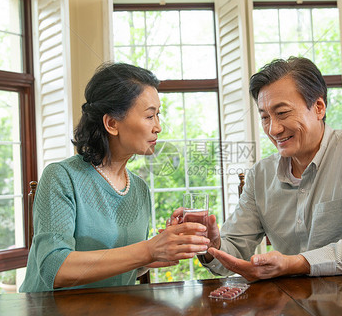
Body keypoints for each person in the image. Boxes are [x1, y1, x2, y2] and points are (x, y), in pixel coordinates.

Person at [174, 56, 342, 281]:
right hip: (289, 310)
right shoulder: (259, 177)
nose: (273, 129)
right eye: (265, 117)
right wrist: (211, 245)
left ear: (318, 107)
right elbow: (233, 250)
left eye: (282, 113)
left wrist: (297, 263)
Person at [20, 63, 209, 292]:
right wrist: (148, 250)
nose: (158, 127)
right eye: (150, 116)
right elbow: (54, 268)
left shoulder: (138, 188)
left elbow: (124, 264)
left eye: (158, 115)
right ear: (111, 123)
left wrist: (159, 251)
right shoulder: (61, 177)